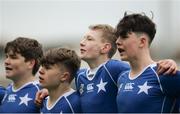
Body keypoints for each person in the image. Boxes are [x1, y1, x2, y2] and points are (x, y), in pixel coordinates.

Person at [35, 24, 178, 113]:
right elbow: (63, 83)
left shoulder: (114, 68)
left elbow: (140, 72)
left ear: (105, 48)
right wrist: (49, 90)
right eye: (83, 38)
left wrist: (169, 62)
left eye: (89, 39)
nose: (82, 42)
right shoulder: (80, 76)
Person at [115, 12, 180, 113]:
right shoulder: (122, 77)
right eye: (117, 37)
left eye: (124, 36)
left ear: (142, 42)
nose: (117, 41)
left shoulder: (165, 73)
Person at [0, 37, 43, 113]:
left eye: (13, 57)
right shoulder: (6, 91)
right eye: (7, 57)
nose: (6, 61)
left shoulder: (41, 93)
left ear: (30, 63)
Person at [39, 47, 81, 113]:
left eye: (47, 68)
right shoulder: (42, 101)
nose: (41, 71)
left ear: (64, 76)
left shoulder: (76, 103)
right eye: (42, 66)